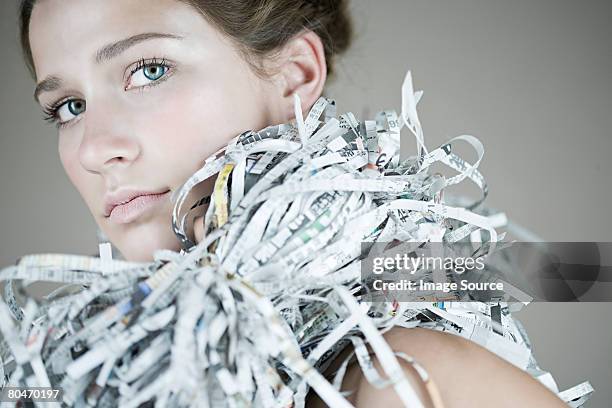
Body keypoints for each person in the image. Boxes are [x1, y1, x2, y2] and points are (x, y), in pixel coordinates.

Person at [19, 0, 567, 406]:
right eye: (68, 106)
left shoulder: (406, 381)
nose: (93, 147)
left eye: (149, 70)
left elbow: (570, 271)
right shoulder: (63, 377)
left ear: (295, 76)